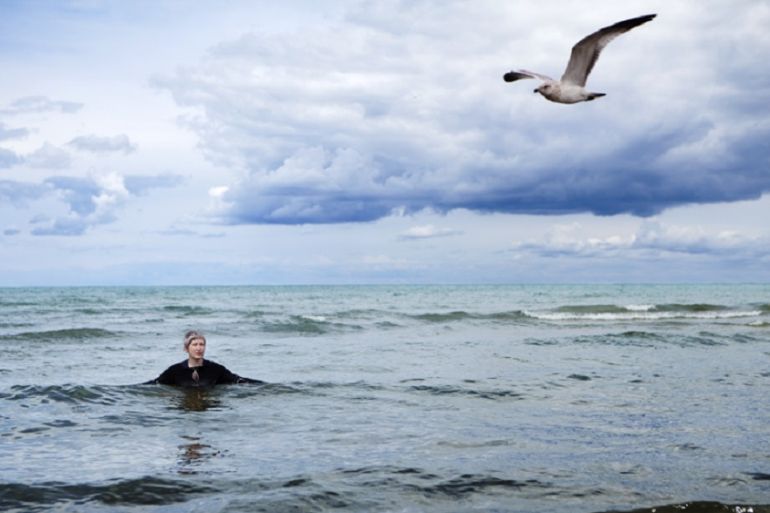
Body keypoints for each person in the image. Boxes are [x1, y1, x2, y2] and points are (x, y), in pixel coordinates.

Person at [145, 330, 263, 387]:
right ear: (186, 348)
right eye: (194, 345)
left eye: (202, 344)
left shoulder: (216, 369)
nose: (199, 348)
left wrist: (264, 386)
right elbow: (155, 383)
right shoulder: (175, 370)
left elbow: (237, 380)